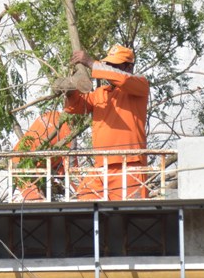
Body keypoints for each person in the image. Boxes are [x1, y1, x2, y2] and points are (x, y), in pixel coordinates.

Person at [63, 44, 150, 200]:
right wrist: (70, 91)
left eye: (114, 65)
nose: (109, 69)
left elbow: (122, 79)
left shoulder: (140, 85)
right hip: (100, 166)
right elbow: (76, 106)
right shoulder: (100, 93)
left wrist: (91, 63)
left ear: (129, 67)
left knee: (130, 215)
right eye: (108, 65)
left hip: (129, 164)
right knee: (82, 207)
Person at [12, 111, 73, 201]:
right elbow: (72, 166)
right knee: (36, 203)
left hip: (16, 159)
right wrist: (80, 192)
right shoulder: (67, 131)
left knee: (40, 200)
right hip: (27, 169)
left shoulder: (51, 114)